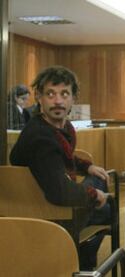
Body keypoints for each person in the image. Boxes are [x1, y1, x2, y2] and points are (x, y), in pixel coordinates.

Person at [9, 66, 111, 270]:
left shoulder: (50, 128)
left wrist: (87, 166)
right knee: (109, 209)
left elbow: (61, 156)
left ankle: (81, 261)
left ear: (73, 98)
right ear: (39, 97)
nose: (58, 101)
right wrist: (95, 195)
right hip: (52, 217)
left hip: (34, 209)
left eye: (64, 94)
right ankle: (82, 264)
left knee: (98, 176)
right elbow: (60, 193)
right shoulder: (41, 138)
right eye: (50, 94)